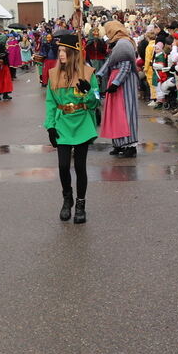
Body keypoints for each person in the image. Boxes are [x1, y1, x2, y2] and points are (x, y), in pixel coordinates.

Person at [45, 33, 99, 223]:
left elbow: (95, 103)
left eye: (64, 51)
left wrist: (88, 92)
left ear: (74, 53)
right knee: (62, 166)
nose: (60, 54)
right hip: (62, 124)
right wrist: (50, 126)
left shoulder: (88, 73)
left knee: (80, 167)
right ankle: (67, 200)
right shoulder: (53, 75)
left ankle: (81, 204)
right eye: (59, 50)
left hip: (82, 122)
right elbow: (50, 103)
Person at [98, 20, 139, 157]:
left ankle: (129, 145)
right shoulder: (117, 43)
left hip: (124, 83)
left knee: (126, 113)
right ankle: (119, 143)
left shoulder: (124, 43)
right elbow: (110, 62)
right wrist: (98, 74)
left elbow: (126, 67)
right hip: (116, 80)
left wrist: (116, 83)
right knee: (115, 113)